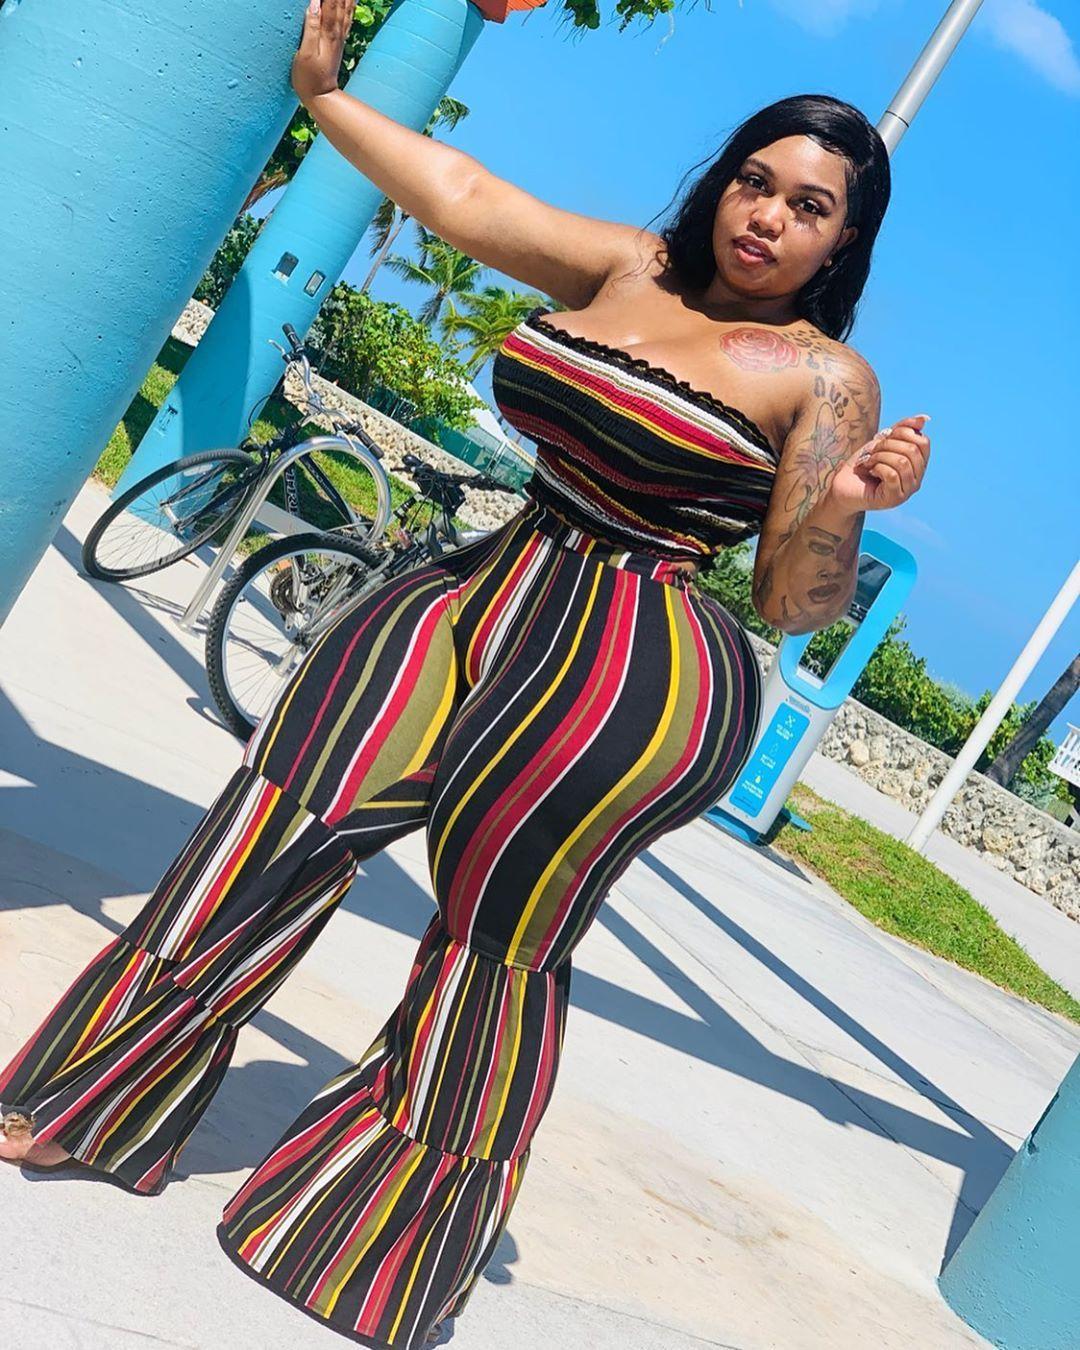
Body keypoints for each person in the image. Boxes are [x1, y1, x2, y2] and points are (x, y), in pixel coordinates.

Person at [0, 1, 931, 1345]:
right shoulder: (630, 268)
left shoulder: (825, 379)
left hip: (629, 667)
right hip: (478, 586)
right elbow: (465, 196)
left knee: (496, 938)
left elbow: (791, 601)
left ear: (843, 242)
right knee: (281, 809)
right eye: (755, 180)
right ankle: (93, 1093)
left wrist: (841, 502)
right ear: (723, 181)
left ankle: (378, 1238)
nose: (768, 216)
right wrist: (327, 98)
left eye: (809, 206)